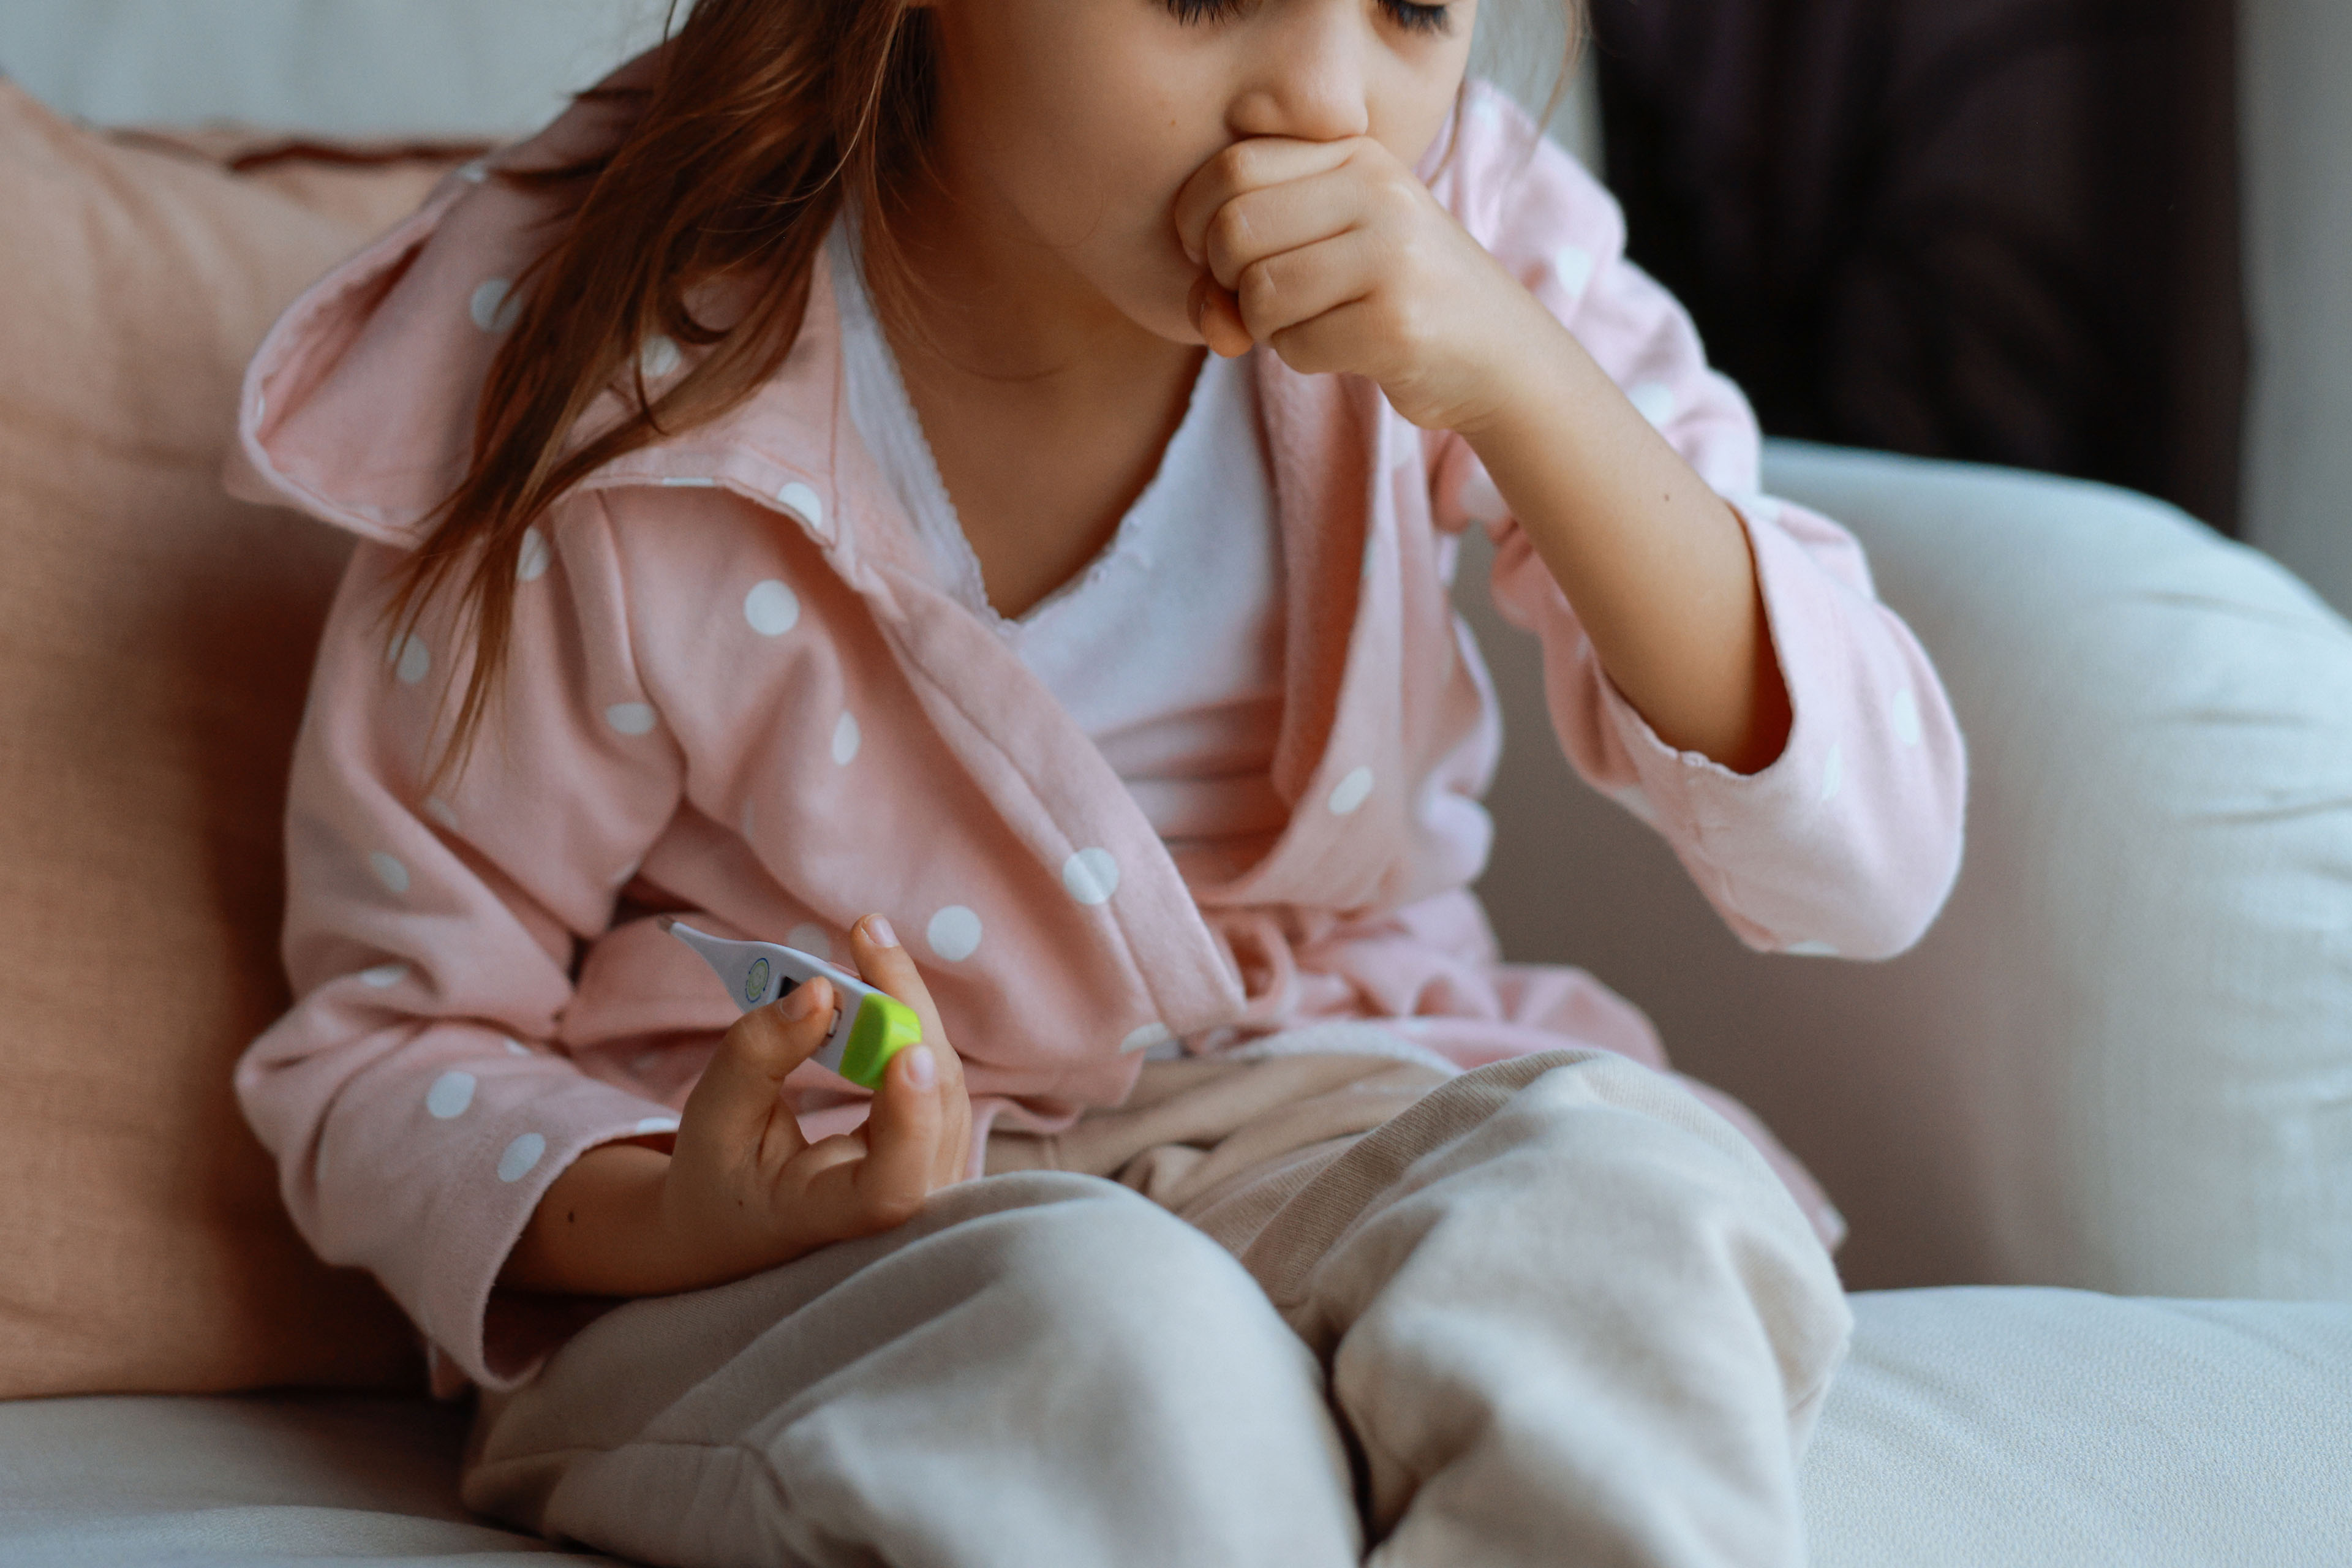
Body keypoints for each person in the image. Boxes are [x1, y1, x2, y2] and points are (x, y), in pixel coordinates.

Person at [230, 0, 1966, 1562]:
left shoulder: (1481, 233)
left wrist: (1520, 381)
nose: (1326, 101)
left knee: (1620, 1208)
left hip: (1315, 1107)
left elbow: (1869, 865)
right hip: (813, 1241)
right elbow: (387, 1052)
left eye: (1418, 7)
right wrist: (681, 1212)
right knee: (1115, 1333)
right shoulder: (625, 370)